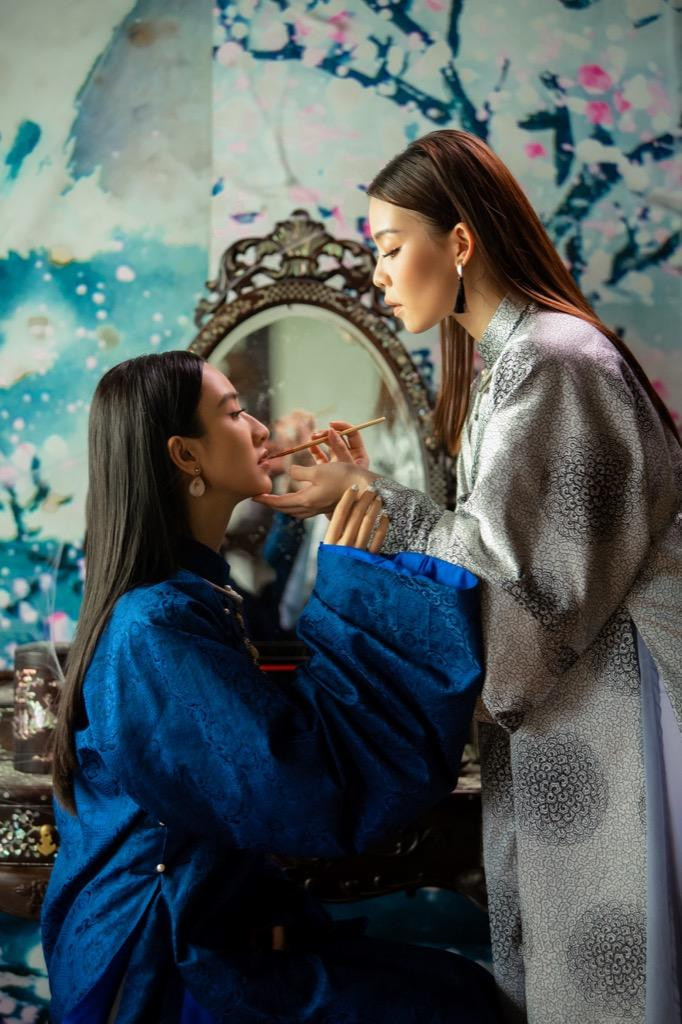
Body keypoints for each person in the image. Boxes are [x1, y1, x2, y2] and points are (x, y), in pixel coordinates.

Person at [255, 130, 682, 1024]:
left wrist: (376, 504)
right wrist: (368, 498)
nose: (379, 273)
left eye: (388, 247)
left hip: (615, 711)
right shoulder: (511, 364)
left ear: (458, 242)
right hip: (577, 708)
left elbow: (529, 592)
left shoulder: (553, 360)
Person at [43, 350, 500, 1023]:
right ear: (186, 456)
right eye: (233, 413)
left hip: (213, 924)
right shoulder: (153, 625)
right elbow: (303, 783)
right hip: (163, 956)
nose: (260, 427)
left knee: (457, 990)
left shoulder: (189, 595)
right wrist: (355, 579)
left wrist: (359, 529)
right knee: (459, 1003)